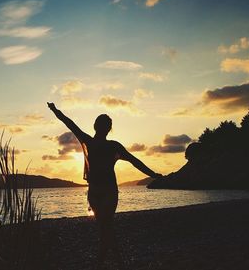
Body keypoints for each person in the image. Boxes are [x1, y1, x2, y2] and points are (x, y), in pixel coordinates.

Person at [47, 102, 162, 269]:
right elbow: (69, 123)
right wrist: (56, 111)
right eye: (103, 125)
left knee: (105, 227)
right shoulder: (92, 142)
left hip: (107, 192)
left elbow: (133, 160)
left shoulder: (112, 146)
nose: (103, 128)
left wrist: (152, 174)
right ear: (99, 127)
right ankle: (116, 260)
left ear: (105, 128)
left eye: (105, 126)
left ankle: (103, 262)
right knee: (105, 227)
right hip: (95, 193)